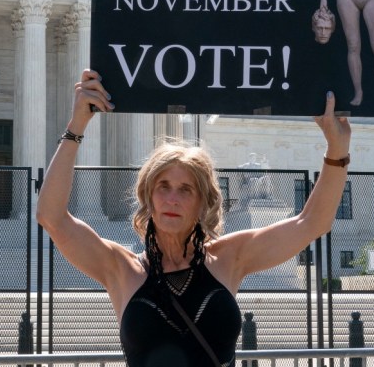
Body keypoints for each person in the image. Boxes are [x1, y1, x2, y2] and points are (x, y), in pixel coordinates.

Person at [37, 69, 351, 367]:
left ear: (203, 202)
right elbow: (52, 217)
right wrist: (76, 127)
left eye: (186, 189)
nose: (172, 199)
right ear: (148, 195)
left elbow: (312, 223)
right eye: (163, 187)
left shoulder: (228, 258)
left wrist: (337, 149)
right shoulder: (121, 268)